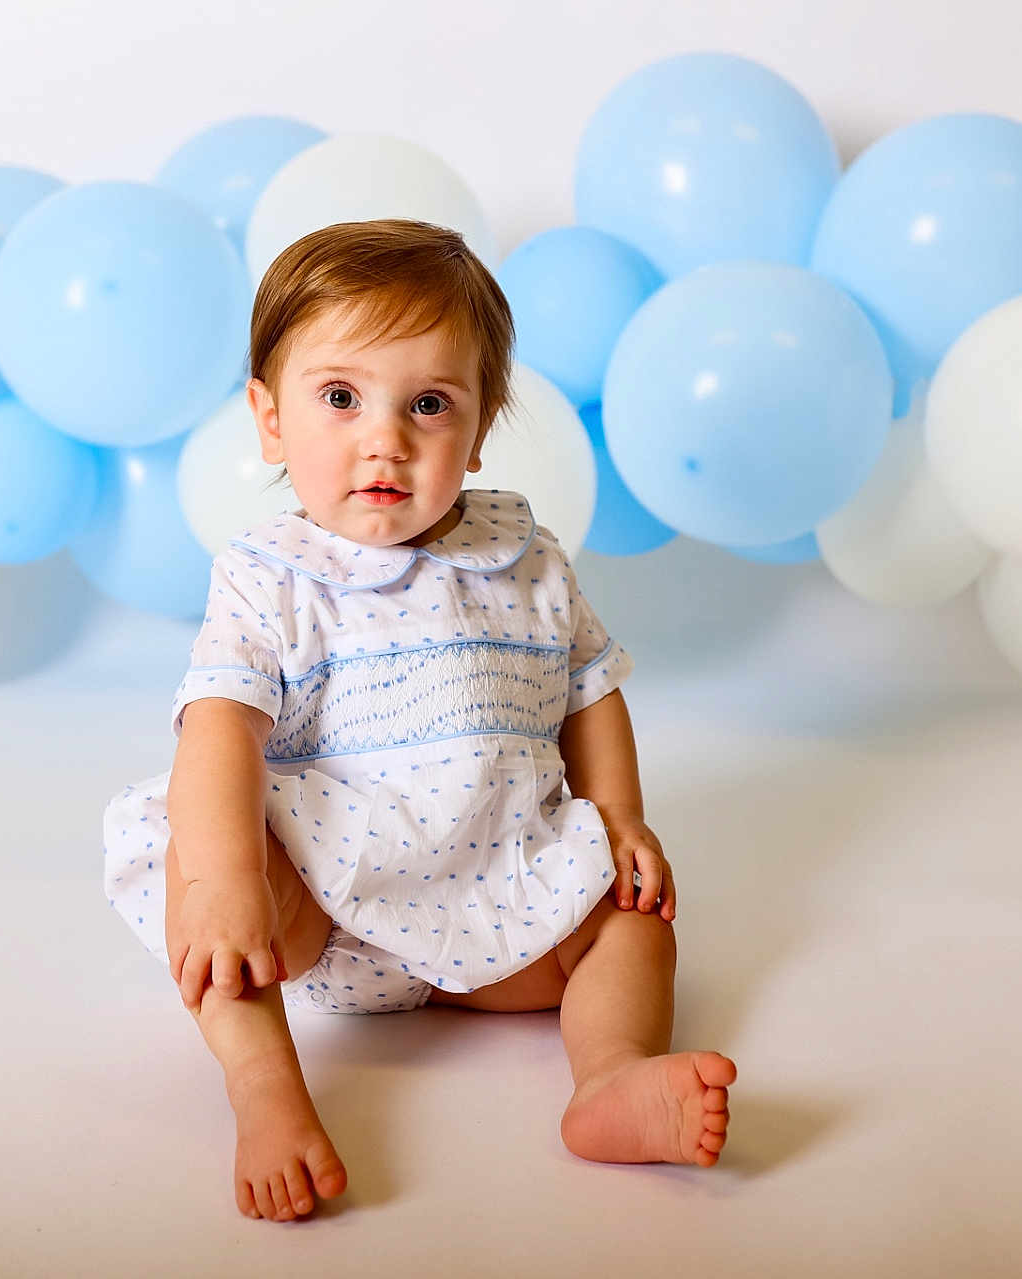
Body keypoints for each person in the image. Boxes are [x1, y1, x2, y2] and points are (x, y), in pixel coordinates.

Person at [103, 218, 736, 1223]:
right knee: (193, 852)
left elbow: (587, 687)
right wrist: (230, 881)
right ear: (269, 420)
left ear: (480, 426)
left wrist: (616, 819)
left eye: (429, 403)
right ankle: (266, 1087)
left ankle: (610, 1073)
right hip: (320, 914)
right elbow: (217, 730)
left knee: (632, 916)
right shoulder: (271, 574)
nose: (384, 439)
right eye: (341, 398)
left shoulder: (524, 558)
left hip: (503, 894)